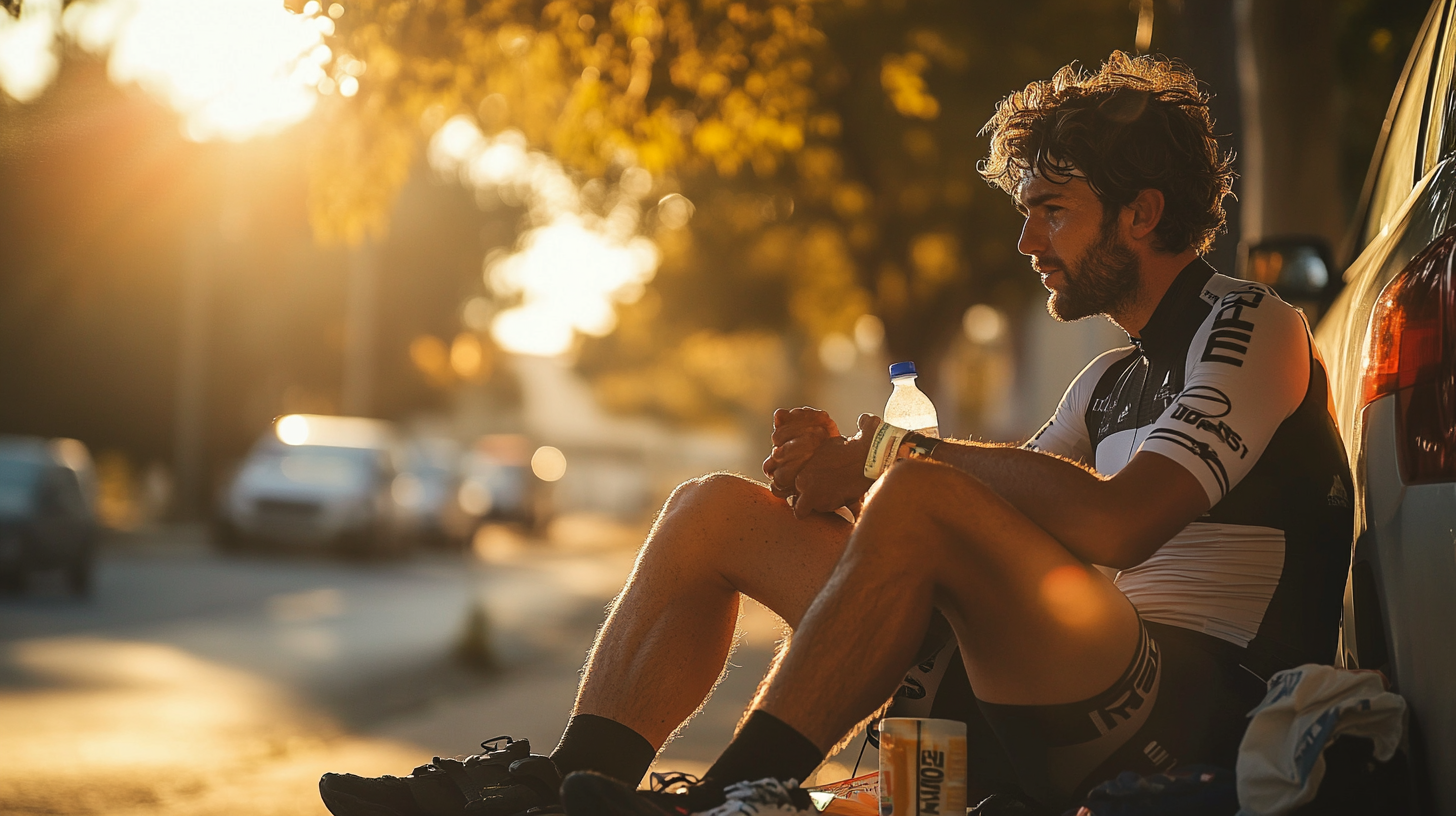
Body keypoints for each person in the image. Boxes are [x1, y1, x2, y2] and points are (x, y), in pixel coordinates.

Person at [319, 51, 1353, 816]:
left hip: (1190, 708)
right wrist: (846, 485)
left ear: (1140, 214)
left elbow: (1122, 525)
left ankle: (726, 799)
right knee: (712, 511)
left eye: (1053, 211)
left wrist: (892, 463)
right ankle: (557, 783)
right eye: (1025, 212)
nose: (1027, 239)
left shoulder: (1251, 324)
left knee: (914, 483)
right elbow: (981, 525)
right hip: (1053, 685)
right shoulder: (1104, 380)